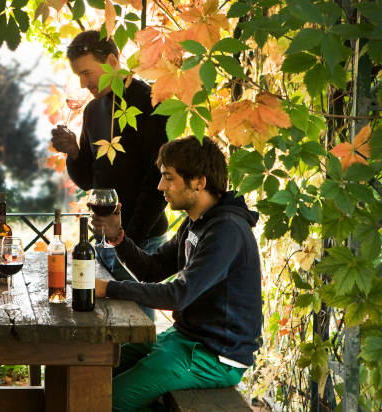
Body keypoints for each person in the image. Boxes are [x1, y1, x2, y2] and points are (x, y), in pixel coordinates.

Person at [91, 136, 263, 411]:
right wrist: (117, 237)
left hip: (215, 356)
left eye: (169, 178)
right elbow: (153, 269)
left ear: (199, 181)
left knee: (105, 402)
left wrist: (108, 289)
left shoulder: (226, 230)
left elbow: (178, 294)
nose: (161, 187)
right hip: (184, 339)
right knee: (95, 368)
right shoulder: (197, 222)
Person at [51, 31, 169, 296]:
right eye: (79, 76)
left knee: (135, 329)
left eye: (87, 73)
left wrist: (128, 241)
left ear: (113, 62)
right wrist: (73, 153)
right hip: (104, 238)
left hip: (143, 240)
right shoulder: (93, 110)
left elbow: (159, 184)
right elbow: (91, 181)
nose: (83, 84)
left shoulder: (152, 104)